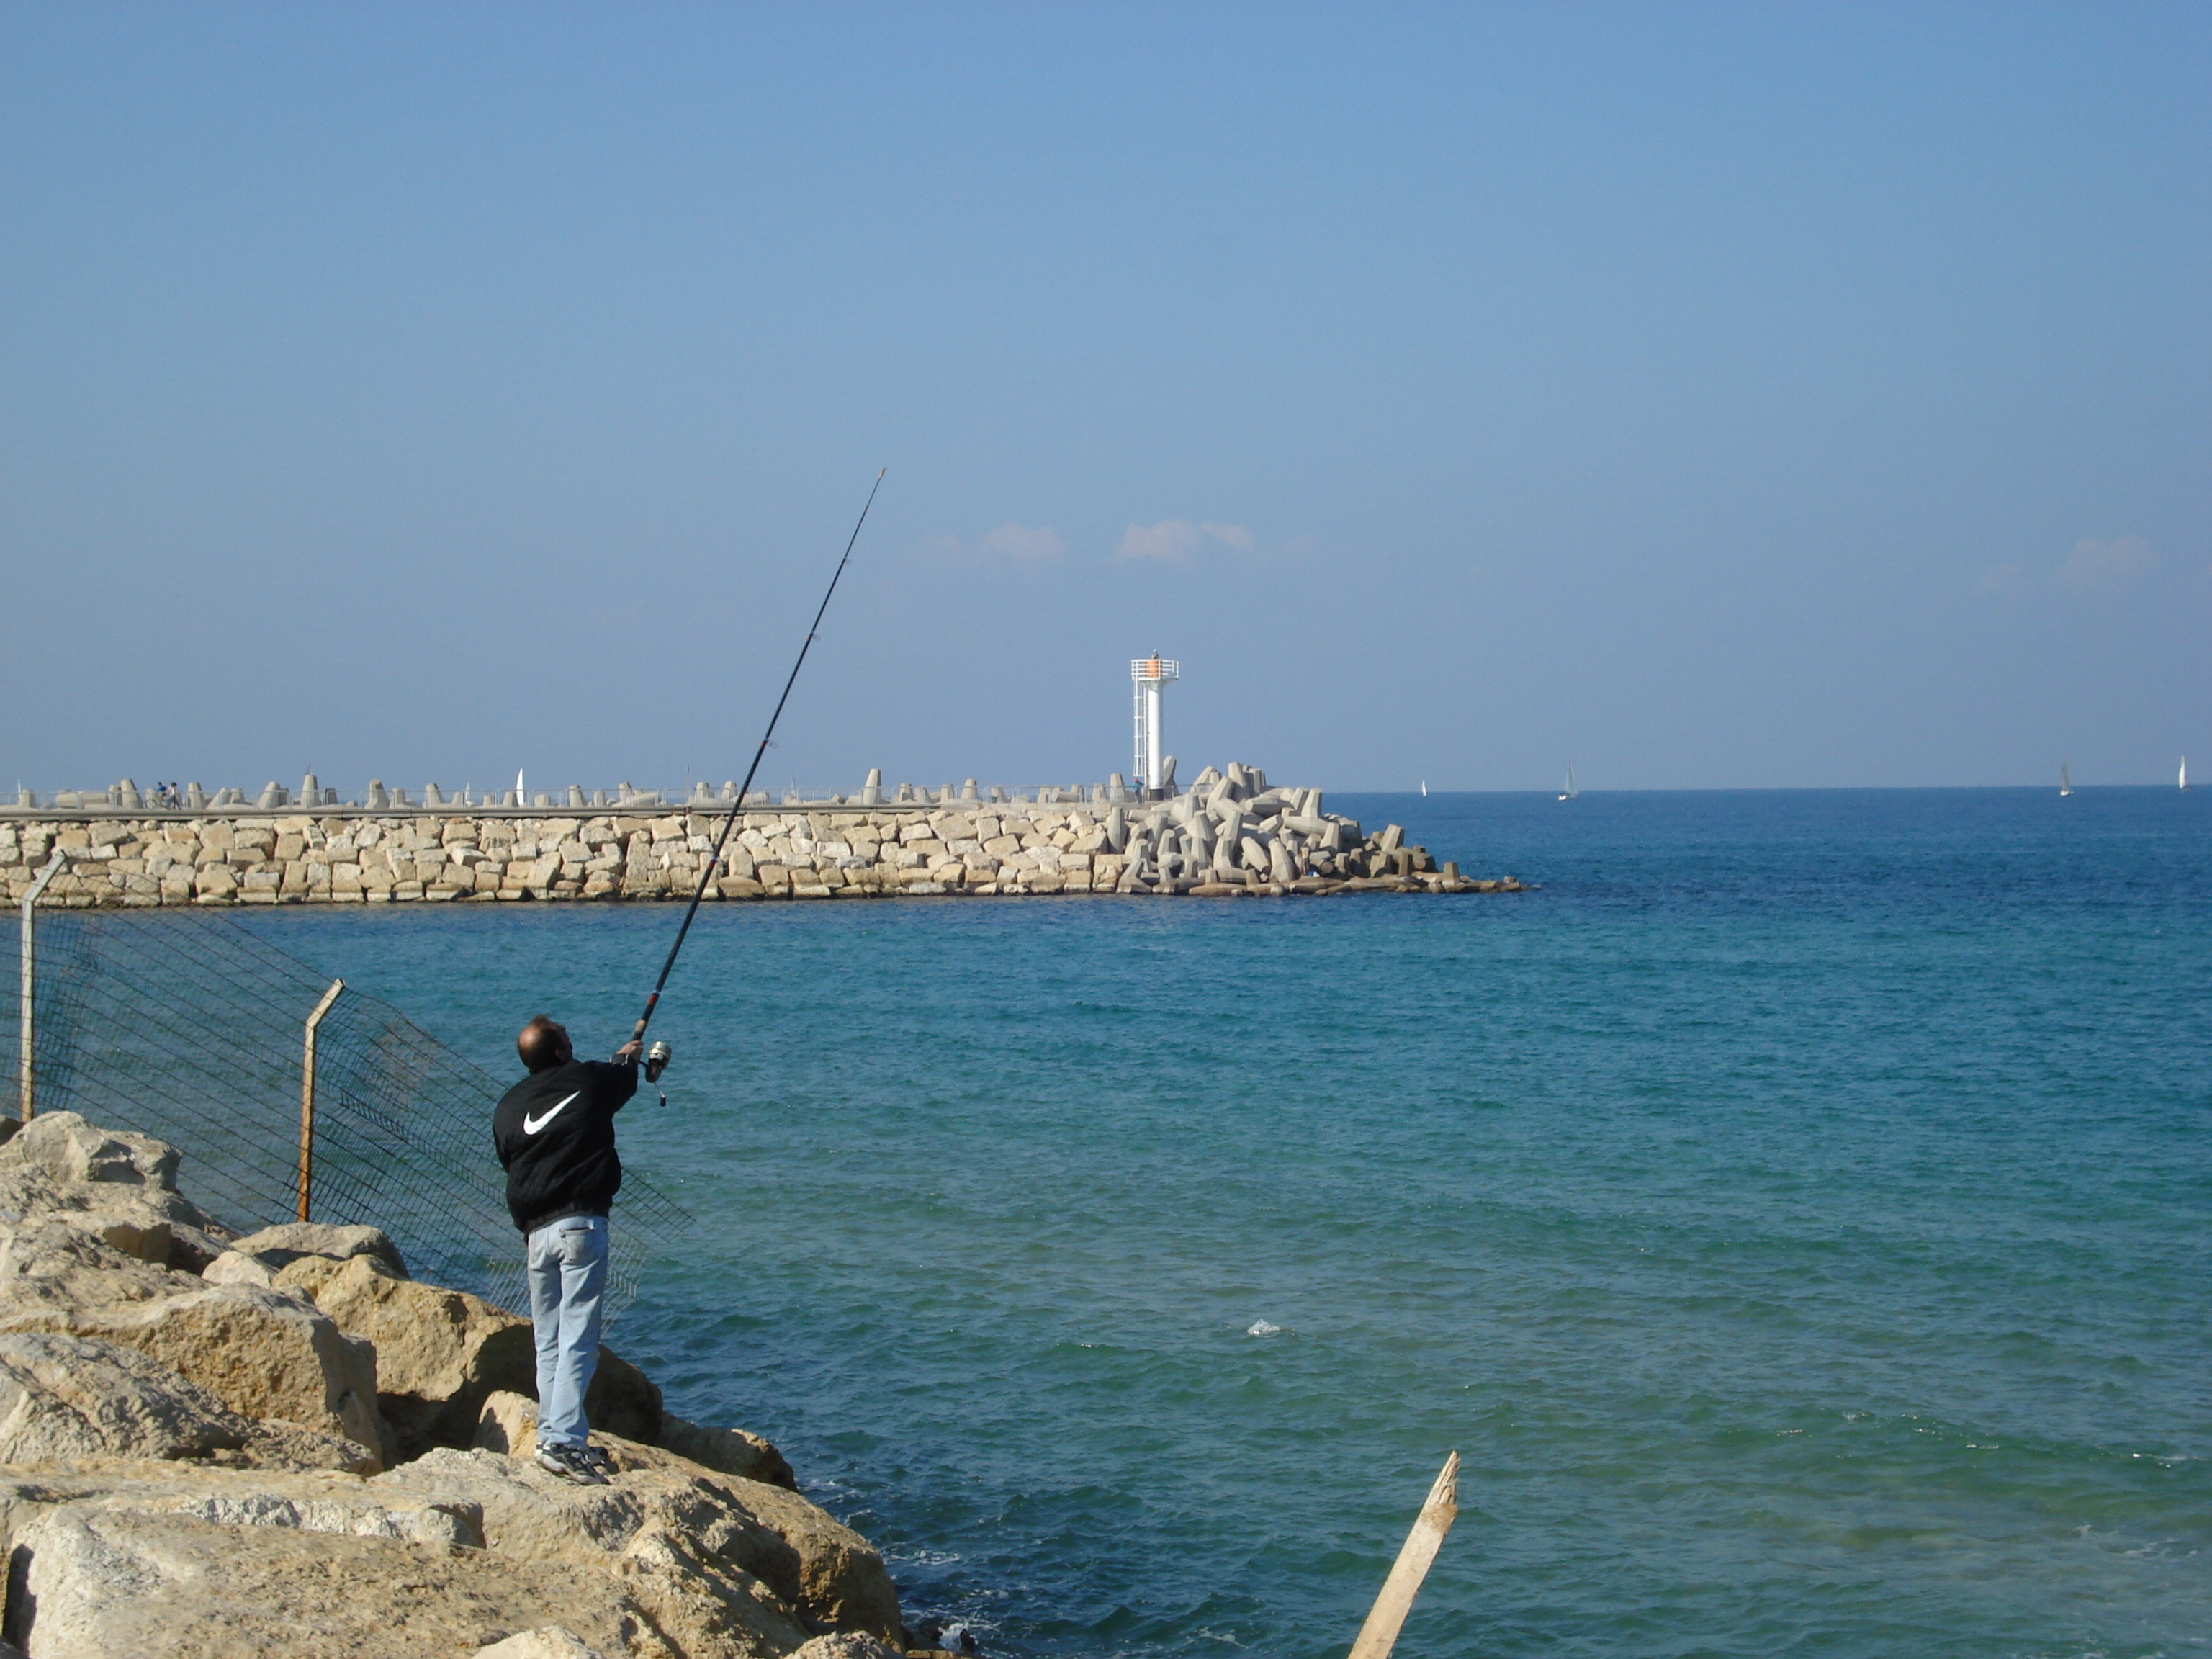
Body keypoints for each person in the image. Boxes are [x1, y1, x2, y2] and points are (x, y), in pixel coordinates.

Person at [492, 1015, 640, 1485]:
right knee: (577, 1337)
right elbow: (621, 1079)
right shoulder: (586, 1078)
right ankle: (566, 1443)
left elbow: (509, 1158)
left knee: (548, 1343)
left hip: (536, 1236)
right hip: (581, 1226)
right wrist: (630, 1056)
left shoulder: (508, 1106)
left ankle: (551, 1436)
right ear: (558, 1051)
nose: (572, 1039)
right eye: (566, 1036)